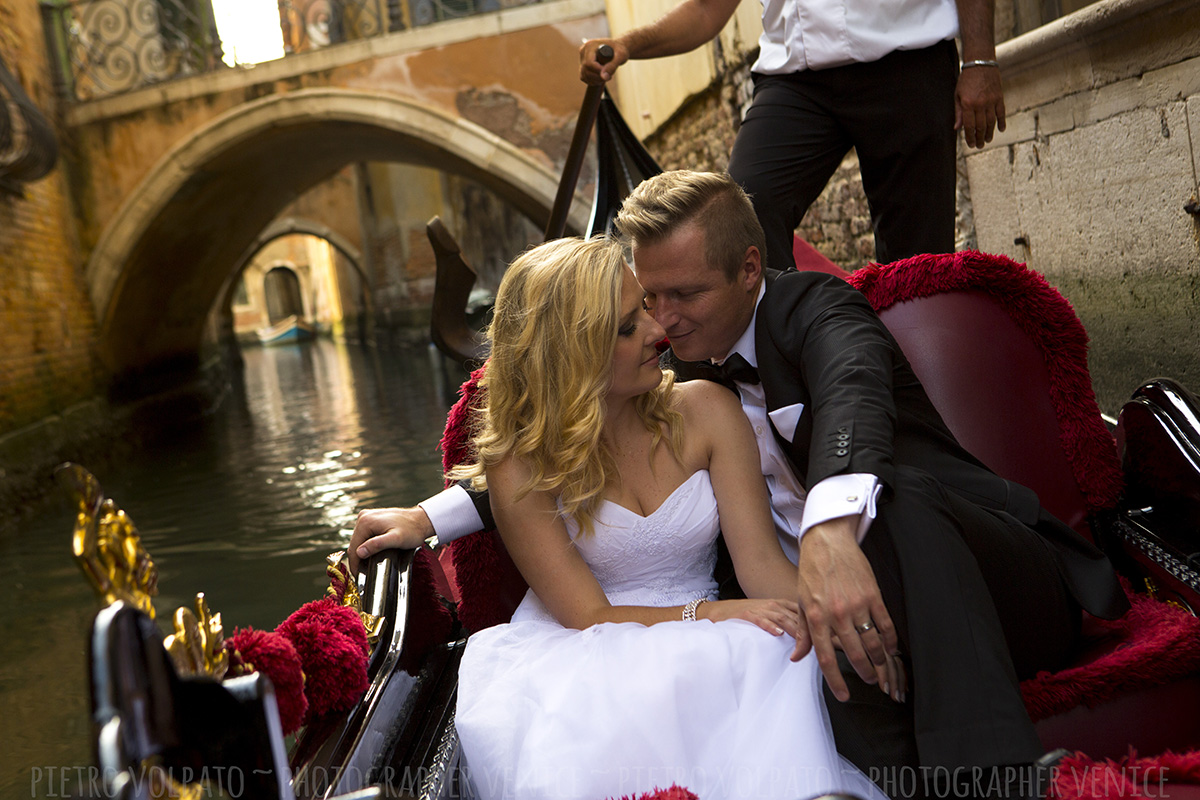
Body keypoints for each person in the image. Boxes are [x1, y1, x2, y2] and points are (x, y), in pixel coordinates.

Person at [353, 171, 1129, 798]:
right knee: (793, 650)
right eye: (646, 301)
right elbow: (569, 452)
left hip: (988, 570)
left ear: (749, 269)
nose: (663, 321)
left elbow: (855, 386)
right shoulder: (676, 369)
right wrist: (432, 516)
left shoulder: (818, 310)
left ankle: (991, 782)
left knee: (886, 500)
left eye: (681, 295)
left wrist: (829, 535)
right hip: (789, 599)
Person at [447, 235, 894, 800]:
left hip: (722, 629)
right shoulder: (518, 466)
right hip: (586, 647)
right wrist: (710, 613)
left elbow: (760, 566)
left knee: (778, 644)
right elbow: (588, 614)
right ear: (572, 352)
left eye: (646, 308)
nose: (659, 331)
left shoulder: (706, 409)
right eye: (628, 326)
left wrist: (841, 616)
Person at [577, 0, 1006, 270]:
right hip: (796, 80)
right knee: (743, 217)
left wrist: (980, 60)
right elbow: (708, 9)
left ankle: (919, 395)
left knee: (920, 258)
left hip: (908, 61)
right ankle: (796, 364)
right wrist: (628, 44)